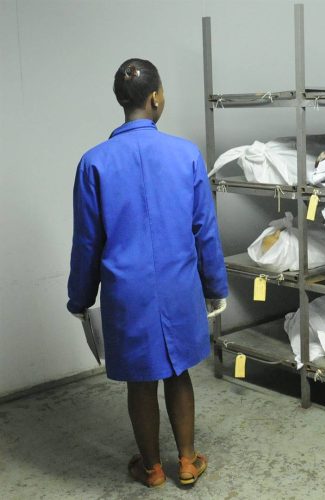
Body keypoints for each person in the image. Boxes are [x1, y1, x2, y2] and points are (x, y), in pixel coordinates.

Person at [66, 58, 228, 488]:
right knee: (178, 372)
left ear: (122, 100)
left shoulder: (93, 163)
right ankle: (188, 462)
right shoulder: (186, 154)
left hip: (127, 293)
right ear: (156, 98)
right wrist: (215, 286)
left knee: (140, 381)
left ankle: (152, 468)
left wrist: (80, 297)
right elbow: (205, 230)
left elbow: (87, 242)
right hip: (178, 286)